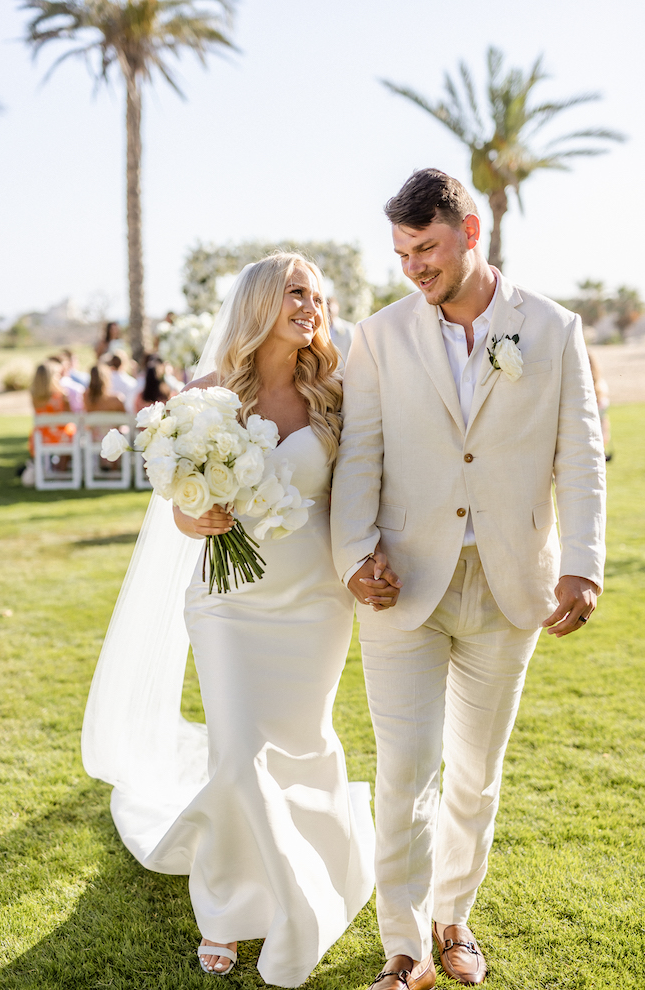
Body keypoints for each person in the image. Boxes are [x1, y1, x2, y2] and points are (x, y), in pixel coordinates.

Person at [330, 169, 606, 989]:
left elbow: (581, 458)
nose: (414, 266)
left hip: (509, 582)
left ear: (471, 230)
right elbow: (361, 455)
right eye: (402, 252)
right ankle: (403, 948)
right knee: (405, 769)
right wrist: (354, 557)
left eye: (428, 247)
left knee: (476, 772)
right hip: (403, 582)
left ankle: (454, 917)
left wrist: (584, 566)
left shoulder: (552, 329)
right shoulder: (379, 336)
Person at [81, 253, 375, 988]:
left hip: (314, 603)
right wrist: (195, 513)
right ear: (260, 303)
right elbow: (179, 515)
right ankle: (223, 910)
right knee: (239, 752)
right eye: (295, 292)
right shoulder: (207, 396)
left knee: (301, 744)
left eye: (317, 295)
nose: (311, 305)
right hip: (229, 606)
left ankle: (312, 869)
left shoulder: (335, 396)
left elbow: (364, 493)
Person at [28, 361, 76, 459]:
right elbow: (70, 417)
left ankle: (45, 468)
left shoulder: (35, 398)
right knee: (72, 432)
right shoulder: (62, 397)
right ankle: (61, 469)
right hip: (62, 438)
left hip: (40, 438)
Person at [327, 296, 354, 361]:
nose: (329, 309)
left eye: (331, 306)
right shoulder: (318, 329)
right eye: (327, 307)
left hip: (343, 369)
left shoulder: (348, 329)